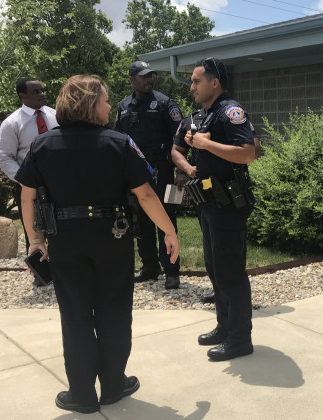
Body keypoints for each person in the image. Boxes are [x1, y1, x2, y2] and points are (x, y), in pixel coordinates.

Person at [15, 75, 179, 413]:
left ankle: (81, 394)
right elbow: (146, 194)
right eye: (105, 100)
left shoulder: (43, 145)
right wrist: (169, 232)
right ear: (91, 103)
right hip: (112, 240)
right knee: (114, 313)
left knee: (74, 316)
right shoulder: (119, 143)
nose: (109, 105)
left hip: (65, 242)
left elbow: (26, 196)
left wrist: (35, 239)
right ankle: (114, 385)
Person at [175, 58, 256, 361]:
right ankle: (224, 326)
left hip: (228, 206)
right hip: (209, 202)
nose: (192, 86)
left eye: (197, 81)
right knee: (216, 270)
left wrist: (206, 146)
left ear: (214, 83)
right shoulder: (206, 116)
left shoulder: (229, 112)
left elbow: (248, 153)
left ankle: (239, 340)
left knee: (231, 273)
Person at [172, 111, 263, 305]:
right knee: (209, 244)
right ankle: (219, 291)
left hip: (230, 194)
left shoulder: (230, 117)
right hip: (204, 192)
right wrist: (188, 169)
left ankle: (234, 297)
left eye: (197, 82)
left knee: (231, 249)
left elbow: (254, 150)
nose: (192, 87)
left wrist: (211, 143)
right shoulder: (191, 120)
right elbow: (176, 150)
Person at [114, 61, 183, 289]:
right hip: (135, 172)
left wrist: (182, 170)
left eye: (150, 76)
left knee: (167, 219)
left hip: (163, 171)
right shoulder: (123, 106)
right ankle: (150, 267)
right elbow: (118, 139)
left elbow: (180, 139)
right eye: (143, 76)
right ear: (132, 78)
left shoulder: (164, 103)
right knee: (140, 219)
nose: (148, 79)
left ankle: (171, 270)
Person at [0, 77, 59, 287]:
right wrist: (25, 181)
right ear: (22, 95)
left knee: (59, 226)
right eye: (36, 91)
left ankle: (62, 272)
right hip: (28, 186)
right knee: (34, 229)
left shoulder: (55, 116)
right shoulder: (12, 123)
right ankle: (40, 275)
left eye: (42, 89)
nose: (42, 93)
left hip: (57, 182)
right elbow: (5, 157)